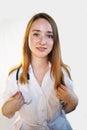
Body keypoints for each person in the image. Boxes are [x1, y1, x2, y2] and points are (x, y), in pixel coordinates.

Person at [0, 12, 78, 130]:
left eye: (49, 36)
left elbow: (67, 109)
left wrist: (73, 100)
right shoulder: (14, 76)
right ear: (27, 38)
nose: (42, 41)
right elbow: (5, 112)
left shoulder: (62, 73)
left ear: (54, 41)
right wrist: (10, 106)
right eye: (36, 34)